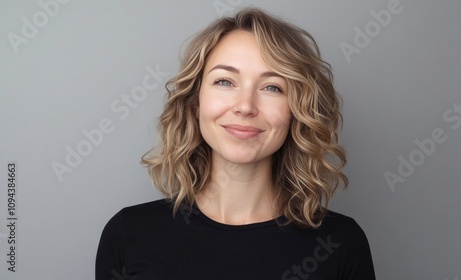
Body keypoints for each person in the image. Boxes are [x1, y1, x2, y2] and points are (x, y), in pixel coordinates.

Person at [96, 7, 376, 280]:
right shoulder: (128, 234)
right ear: (195, 102)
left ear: (297, 110)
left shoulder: (340, 244)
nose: (245, 106)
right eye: (225, 81)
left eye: (272, 87)